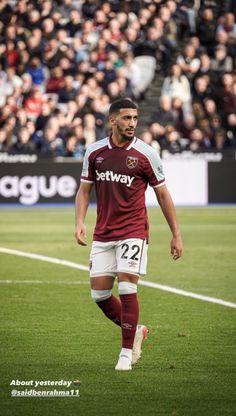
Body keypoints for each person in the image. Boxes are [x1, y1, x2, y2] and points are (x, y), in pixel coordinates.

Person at [74, 98, 183, 371]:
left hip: (133, 231)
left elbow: (162, 194)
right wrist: (79, 222)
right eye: (126, 118)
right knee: (99, 295)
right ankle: (136, 330)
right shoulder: (94, 152)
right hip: (103, 233)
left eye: (135, 118)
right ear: (112, 120)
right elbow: (84, 190)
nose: (132, 123)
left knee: (126, 288)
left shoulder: (146, 154)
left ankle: (125, 354)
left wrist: (176, 234)